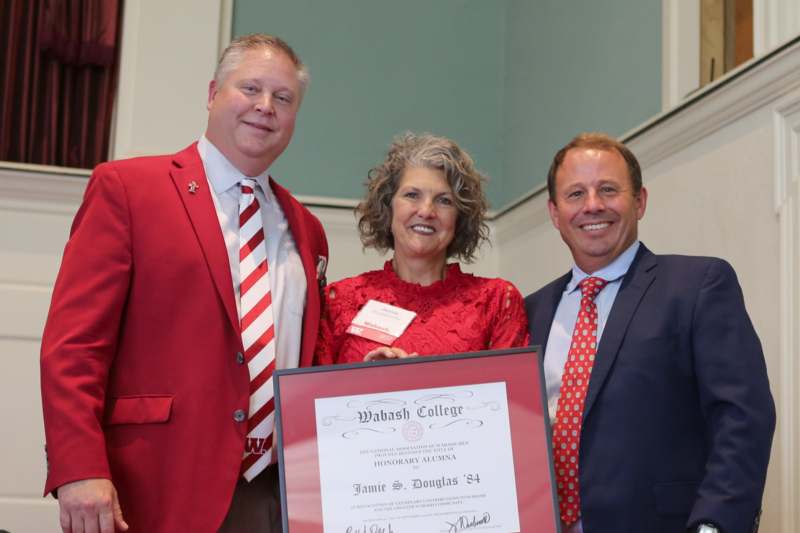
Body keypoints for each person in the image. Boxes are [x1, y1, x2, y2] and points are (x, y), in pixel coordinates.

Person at [40, 34, 328, 533]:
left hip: (270, 497)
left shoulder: (308, 230)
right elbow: (74, 346)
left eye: (283, 99)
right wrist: (78, 467)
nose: (265, 107)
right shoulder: (129, 190)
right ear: (213, 92)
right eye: (251, 89)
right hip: (149, 487)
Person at [525, 132, 775, 533]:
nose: (592, 205)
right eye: (576, 194)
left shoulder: (698, 285)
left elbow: (742, 418)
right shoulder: (530, 311)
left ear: (639, 201)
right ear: (555, 213)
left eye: (608, 189)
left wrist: (715, 525)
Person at [315, 132, 528, 365]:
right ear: (388, 206)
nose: (426, 211)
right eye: (412, 195)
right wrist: (368, 379)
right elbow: (314, 396)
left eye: (444, 200)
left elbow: (511, 396)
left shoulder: (496, 301)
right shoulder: (339, 301)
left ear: (460, 217)